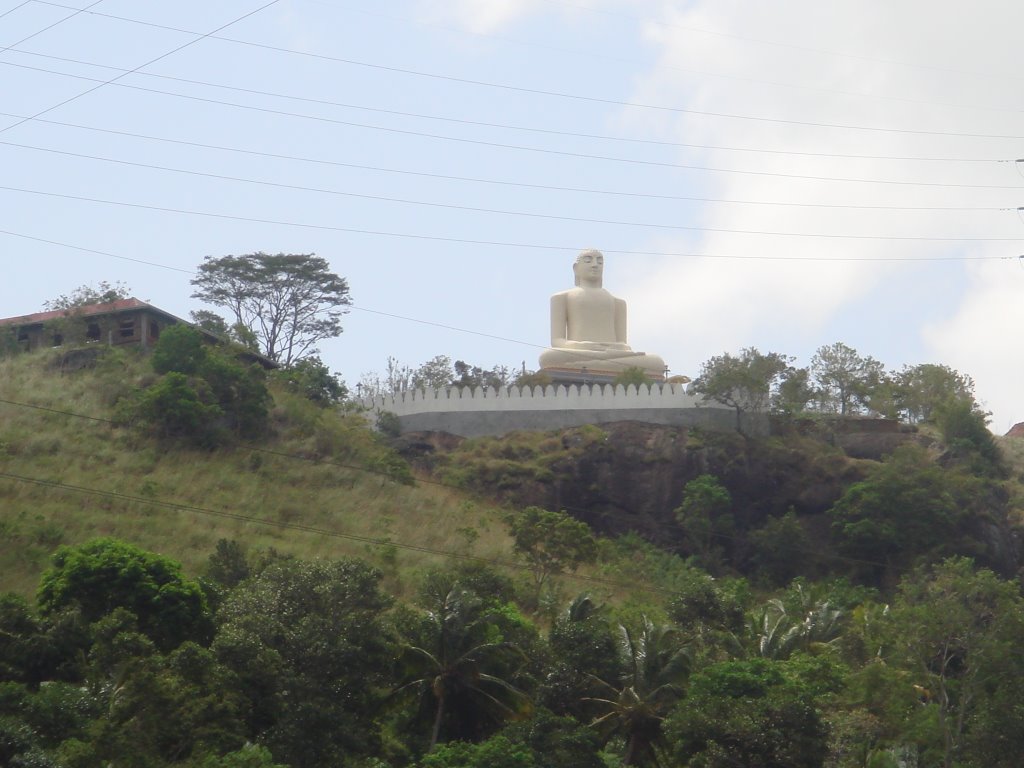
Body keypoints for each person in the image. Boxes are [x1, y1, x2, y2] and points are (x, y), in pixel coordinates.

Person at [539, 249, 666, 379]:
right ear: (576, 268)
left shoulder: (618, 302)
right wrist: (584, 346)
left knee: (656, 362)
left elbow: (623, 344)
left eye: (600, 262)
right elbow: (557, 341)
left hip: (613, 354)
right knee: (548, 357)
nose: (595, 265)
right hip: (579, 352)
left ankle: (596, 364)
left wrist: (614, 349)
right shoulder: (562, 297)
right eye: (588, 260)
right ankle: (601, 363)